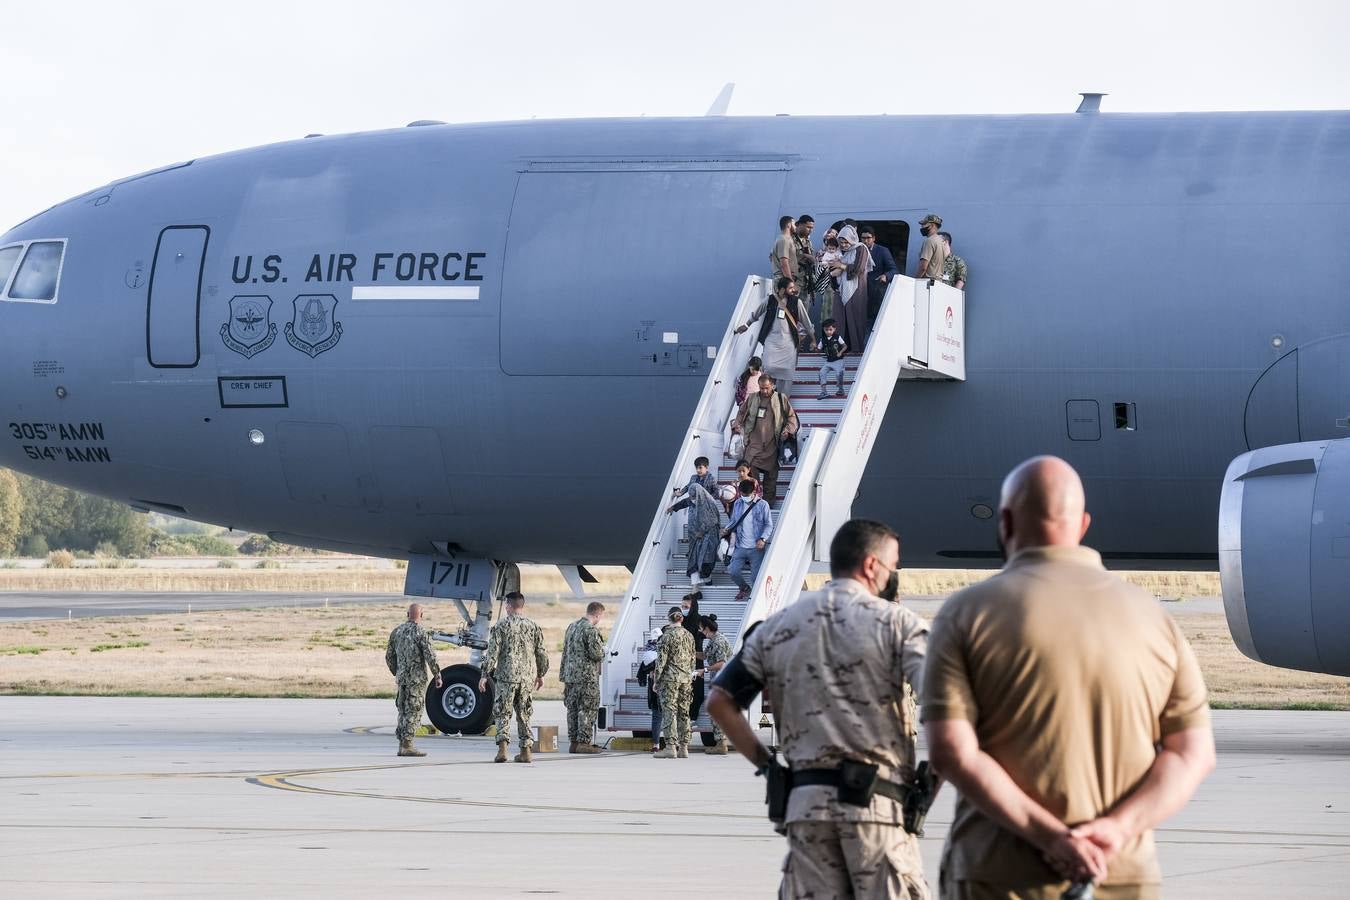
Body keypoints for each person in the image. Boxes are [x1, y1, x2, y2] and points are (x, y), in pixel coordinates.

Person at [923, 456, 1215, 899]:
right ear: (1082, 524)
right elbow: (1193, 754)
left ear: (1005, 522)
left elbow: (951, 754)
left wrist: (1053, 839)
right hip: (1120, 875)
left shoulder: (967, 614)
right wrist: (1115, 831)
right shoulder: (1154, 619)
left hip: (999, 877)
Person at [708, 519, 932, 899]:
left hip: (806, 808)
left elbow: (720, 702)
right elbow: (948, 708)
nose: (894, 574)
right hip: (877, 810)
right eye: (893, 566)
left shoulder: (776, 627)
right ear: (871, 565)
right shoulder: (898, 625)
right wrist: (926, 791)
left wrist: (768, 767)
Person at [477, 592, 550, 764]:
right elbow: (541, 653)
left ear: (509, 606)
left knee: (503, 712)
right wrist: (540, 674)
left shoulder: (501, 625)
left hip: (506, 677)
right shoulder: (533, 626)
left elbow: (492, 653)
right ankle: (526, 751)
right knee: (524, 714)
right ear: (522, 606)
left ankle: (502, 749)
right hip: (526, 678)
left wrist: (484, 675)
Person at [384, 602, 443, 757]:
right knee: (414, 710)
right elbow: (430, 655)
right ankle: (407, 745)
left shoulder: (397, 632)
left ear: (407, 614)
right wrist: (437, 674)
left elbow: (389, 656)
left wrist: (397, 671)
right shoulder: (421, 632)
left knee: (403, 710)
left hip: (402, 679)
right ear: (421, 615)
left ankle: (401, 744)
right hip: (416, 680)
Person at [733, 373, 799, 507]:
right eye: (761, 388)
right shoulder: (752, 398)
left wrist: (788, 430)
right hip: (753, 445)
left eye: (767, 388)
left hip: (772, 445)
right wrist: (737, 424)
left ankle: (767, 506)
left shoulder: (781, 398)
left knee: (770, 479)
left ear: (773, 386)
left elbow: (792, 417)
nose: (764, 391)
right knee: (750, 474)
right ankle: (753, 503)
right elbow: (741, 413)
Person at [736, 277, 814, 385]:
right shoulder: (770, 300)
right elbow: (756, 313)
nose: (794, 290)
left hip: (789, 342)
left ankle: (783, 399)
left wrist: (813, 339)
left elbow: (807, 322)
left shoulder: (797, 302)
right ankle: (769, 396)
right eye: (790, 288)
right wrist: (746, 325)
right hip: (771, 341)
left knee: (787, 373)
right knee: (768, 367)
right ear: (782, 289)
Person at [560, 600, 607, 754]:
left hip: (570, 677)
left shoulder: (572, 627)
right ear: (597, 614)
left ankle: (573, 742)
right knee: (587, 710)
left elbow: (565, 651)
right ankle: (584, 743)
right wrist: (604, 651)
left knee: (572, 710)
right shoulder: (591, 630)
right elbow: (596, 654)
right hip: (586, 678)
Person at [653, 605, 697, 759]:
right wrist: (689, 675)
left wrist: (656, 681)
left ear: (669, 618)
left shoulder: (666, 636)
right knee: (684, 712)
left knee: (669, 711)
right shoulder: (689, 636)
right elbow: (693, 659)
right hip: (686, 679)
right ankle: (684, 748)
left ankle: (670, 747)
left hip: (670, 680)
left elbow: (661, 662)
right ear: (682, 618)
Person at [721, 477, 772, 601]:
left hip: (756, 548)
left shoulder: (763, 505)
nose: (744, 497)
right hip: (740, 546)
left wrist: (763, 539)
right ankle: (744, 588)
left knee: (755, 577)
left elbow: (768, 524)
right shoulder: (738, 503)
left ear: (754, 492)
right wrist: (726, 529)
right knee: (733, 571)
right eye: (742, 494)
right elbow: (734, 521)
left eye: (747, 494)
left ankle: (754, 600)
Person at [670, 483, 723, 593]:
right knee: (693, 560)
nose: (692, 499)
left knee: (706, 561)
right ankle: (695, 589)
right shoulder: (693, 499)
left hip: (710, 538)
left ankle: (707, 578)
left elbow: (713, 521)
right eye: (691, 496)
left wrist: (702, 531)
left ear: (698, 495)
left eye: (694, 497)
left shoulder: (710, 503)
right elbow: (685, 502)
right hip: (696, 538)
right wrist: (673, 508)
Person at [834, 225, 873, 352]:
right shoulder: (845, 252)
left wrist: (841, 266)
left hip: (857, 290)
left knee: (855, 318)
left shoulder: (861, 249)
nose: (844, 245)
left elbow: (859, 269)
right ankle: (843, 348)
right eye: (841, 242)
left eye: (846, 242)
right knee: (841, 319)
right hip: (843, 290)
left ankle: (856, 349)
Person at [698, 614, 733, 755]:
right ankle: (721, 742)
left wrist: (704, 669)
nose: (700, 631)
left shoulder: (718, 641)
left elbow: (721, 663)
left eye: (701, 629)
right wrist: (689, 652)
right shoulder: (713, 640)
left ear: (707, 628)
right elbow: (705, 656)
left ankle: (721, 743)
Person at [860, 227, 898, 323]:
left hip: (876, 292)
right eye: (863, 238)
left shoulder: (882, 251)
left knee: (874, 321)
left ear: (874, 238)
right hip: (860, 291)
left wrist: (886, 276)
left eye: (868, 238)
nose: (865, 241)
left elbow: (894, 269)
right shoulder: (857, 250)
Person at [635, 637, 663, 751]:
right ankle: (674, 744)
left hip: (654, 686)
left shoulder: (647, 653)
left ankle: (656, 745)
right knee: (671, 715)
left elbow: (644, 671)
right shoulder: (663, 650)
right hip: (667, 683)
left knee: (656, 716)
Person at [793, 214, 819, 324]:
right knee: (790, 314)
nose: (810, 230)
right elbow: (776, 258)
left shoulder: (808, 242)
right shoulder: (789, 240)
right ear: (800, 225)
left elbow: (811, 263)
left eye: (812, 228)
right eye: (808, 227)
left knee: (803, 318)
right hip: (794, 282)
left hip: (806, 283)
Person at [817, 318, 848, 400]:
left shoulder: (837, 337)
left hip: (838, 360)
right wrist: (814, 348)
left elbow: (845, 346)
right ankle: (824, 392)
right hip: (829, 361)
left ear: (834, 329)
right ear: (823, 329)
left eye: (830, 329)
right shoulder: (822, 339)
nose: (828, 332)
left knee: (839, 374)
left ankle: (840, 390)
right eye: (826, 330)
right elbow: (818, 348)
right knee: (821, 373)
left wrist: (840, 352)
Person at [914, 214, 948, 280]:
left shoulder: (929, 241)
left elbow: (923, 267)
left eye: (924, 224)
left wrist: (915, 280)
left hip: (927, 283)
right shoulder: (941, 241)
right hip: (938, 282)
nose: (922, 227)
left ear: (931, 225)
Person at [770, 215, 798, 284]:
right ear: (789, 225)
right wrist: (790, 282)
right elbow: (784, 263)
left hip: (785, 279)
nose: (796, 227)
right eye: (794, 224)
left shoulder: (785, 239)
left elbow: (770, 257)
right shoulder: (783, 240)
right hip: (783, 281)